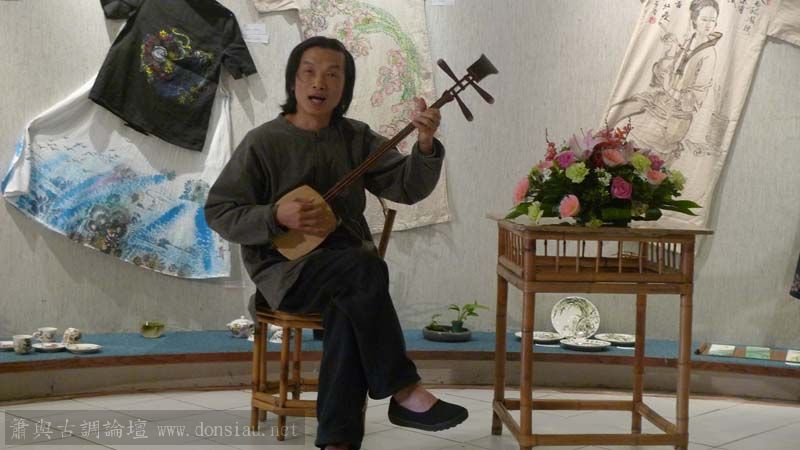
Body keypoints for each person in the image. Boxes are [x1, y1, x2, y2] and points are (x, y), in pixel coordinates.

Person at [204, 36, 467, 450]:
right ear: (293, 80)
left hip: (348, 273)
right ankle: (403, 389)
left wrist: (425, 145)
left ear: (345, 86)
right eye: (309, 72)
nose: (319, 82)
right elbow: (219, 211)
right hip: (287, 273)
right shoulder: (263, 142)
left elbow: (407, 186)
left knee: (350, 305)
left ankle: (337, 443)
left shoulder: (355, 137)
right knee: (364, 269)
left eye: (333, 74)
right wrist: (275, 216)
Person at [606, 0, 721, 163]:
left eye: (712, 20)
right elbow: (663, 74)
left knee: (632, 139)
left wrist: (670, 88)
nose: (709, 24)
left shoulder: (709, 54)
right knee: (617, 114)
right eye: (704, 19)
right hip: (660, 102)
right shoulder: (689, 40)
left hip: (676, 116)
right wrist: (669, 51)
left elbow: (694, 99)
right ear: (695, 19)